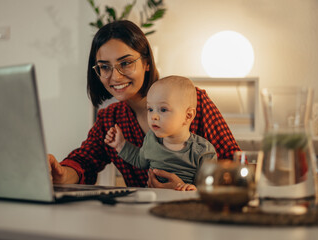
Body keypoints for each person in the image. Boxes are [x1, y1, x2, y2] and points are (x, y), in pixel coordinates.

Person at [48, 20, 240, 189]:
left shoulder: (194, 101)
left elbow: (236, 166)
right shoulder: (110, 118)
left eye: (125, 63)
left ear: (146, 62)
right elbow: (84, 161)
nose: (115, 76)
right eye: (104, 67)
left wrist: (192, 190)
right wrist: (61, 174)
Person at [104, 76, 217, 191]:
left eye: (163, 110)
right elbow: (139, 160)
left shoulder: (203, 151)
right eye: (150, 109)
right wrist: (120, 144)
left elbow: (210, 188)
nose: (154, 116)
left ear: (188, 116)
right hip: (152, 200)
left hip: (185, 204)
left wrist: (194, 190)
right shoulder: (151, 139)